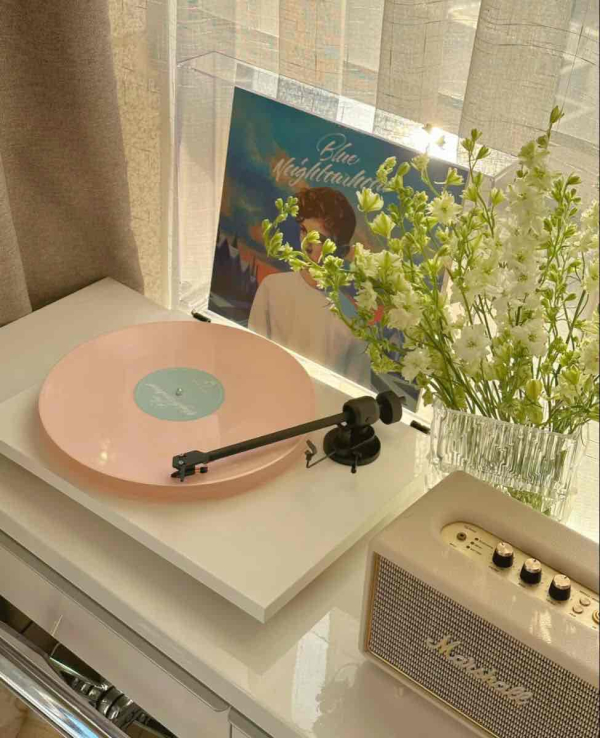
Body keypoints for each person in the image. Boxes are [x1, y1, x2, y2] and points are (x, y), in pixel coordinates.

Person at [249, 187, 371, 388]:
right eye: (304, 231)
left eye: (319, 239)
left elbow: (356, 390)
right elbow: (253, 358)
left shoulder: (353, 322)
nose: (306, 244)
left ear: (341, 251)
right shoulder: (272, 288)